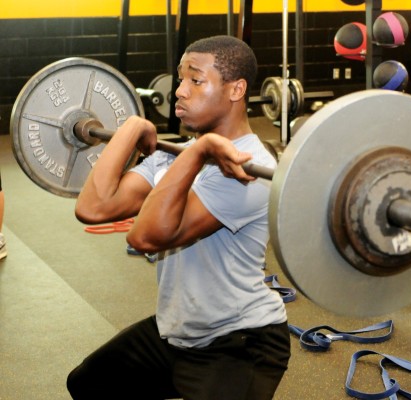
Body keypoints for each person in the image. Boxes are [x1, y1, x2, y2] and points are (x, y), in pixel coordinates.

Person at [67, 36, 290, 400]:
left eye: (195, 81)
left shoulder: (249, 169)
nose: (180, 92)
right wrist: (131, 130)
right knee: (89, 384)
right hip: (179, 331)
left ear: (237, 90)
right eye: (180, 79)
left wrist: (199, 149)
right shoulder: (176, 154)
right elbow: (93, 208)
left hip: (240, 342)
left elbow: (146, 236)